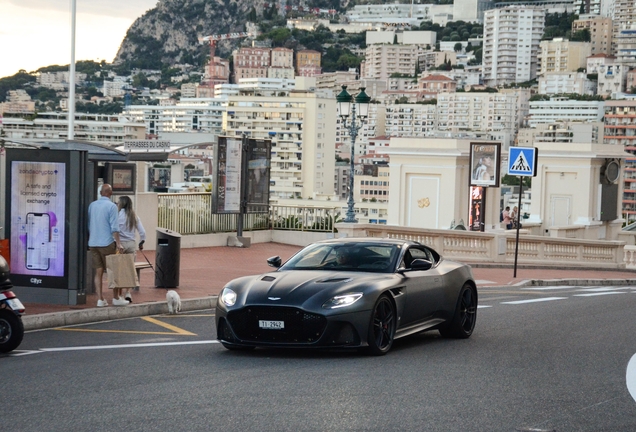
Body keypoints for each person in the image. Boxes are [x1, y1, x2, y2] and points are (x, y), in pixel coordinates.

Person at [88, 184, 127, 307]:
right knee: (114, 270)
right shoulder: (111, 206)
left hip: (93, 243)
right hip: (107, 243)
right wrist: (119, 243)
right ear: (110, 193)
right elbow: (114, 228)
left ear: (100, 192)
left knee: (98, 272)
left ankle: (100, 299)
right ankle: (116, 297)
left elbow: (89, 224)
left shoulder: (92, 205)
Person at [117, 196, 146, 303]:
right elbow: (143, 233)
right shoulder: (134, 216)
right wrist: (141, 243)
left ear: (121, 204)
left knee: (119, 270)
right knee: (129, 269)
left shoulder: (117, 216)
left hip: (120, 245)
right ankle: (128, 292)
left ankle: (119, 294)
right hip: (131, 244)